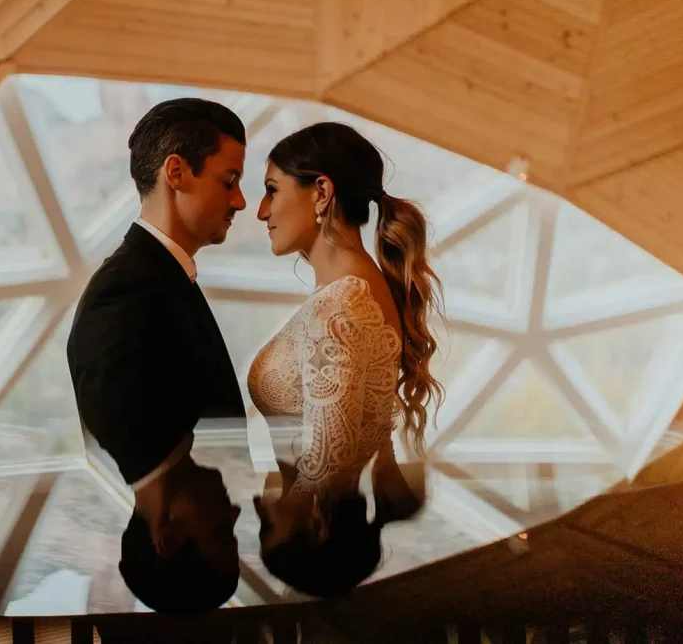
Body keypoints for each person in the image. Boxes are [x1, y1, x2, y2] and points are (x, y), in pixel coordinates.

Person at [67, 98, 248, 613]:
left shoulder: (149, 282)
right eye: (229, 179)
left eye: (222, 537)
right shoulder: (126, 292)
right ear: (176, 172)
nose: (239, 201)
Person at [247, 121, 443, 597]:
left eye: (272, 191)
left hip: (322, 547)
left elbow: (328, 467)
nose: (261, 211)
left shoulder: (344, 305)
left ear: (321, 193)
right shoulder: (352, 293)